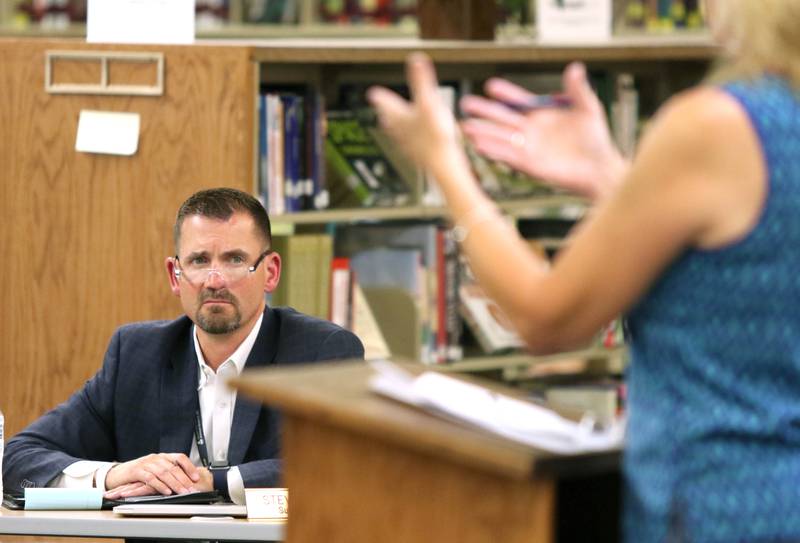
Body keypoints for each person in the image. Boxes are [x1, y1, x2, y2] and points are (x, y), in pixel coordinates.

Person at [367, 0, 800, 541]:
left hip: (719, 508)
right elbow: (741, 257)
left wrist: (445, 166)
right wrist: (614, 177)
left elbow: (546, 318)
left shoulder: (721, 125)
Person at [3, 187, 364, 505]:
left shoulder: (322, 352)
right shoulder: (136, 353)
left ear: (270, 272)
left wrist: (213, 482)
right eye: (198, 261)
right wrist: (116, 475)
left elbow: (340, 466)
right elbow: (17, 458)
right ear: (175, 276)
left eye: (235, 260)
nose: (214, 281)